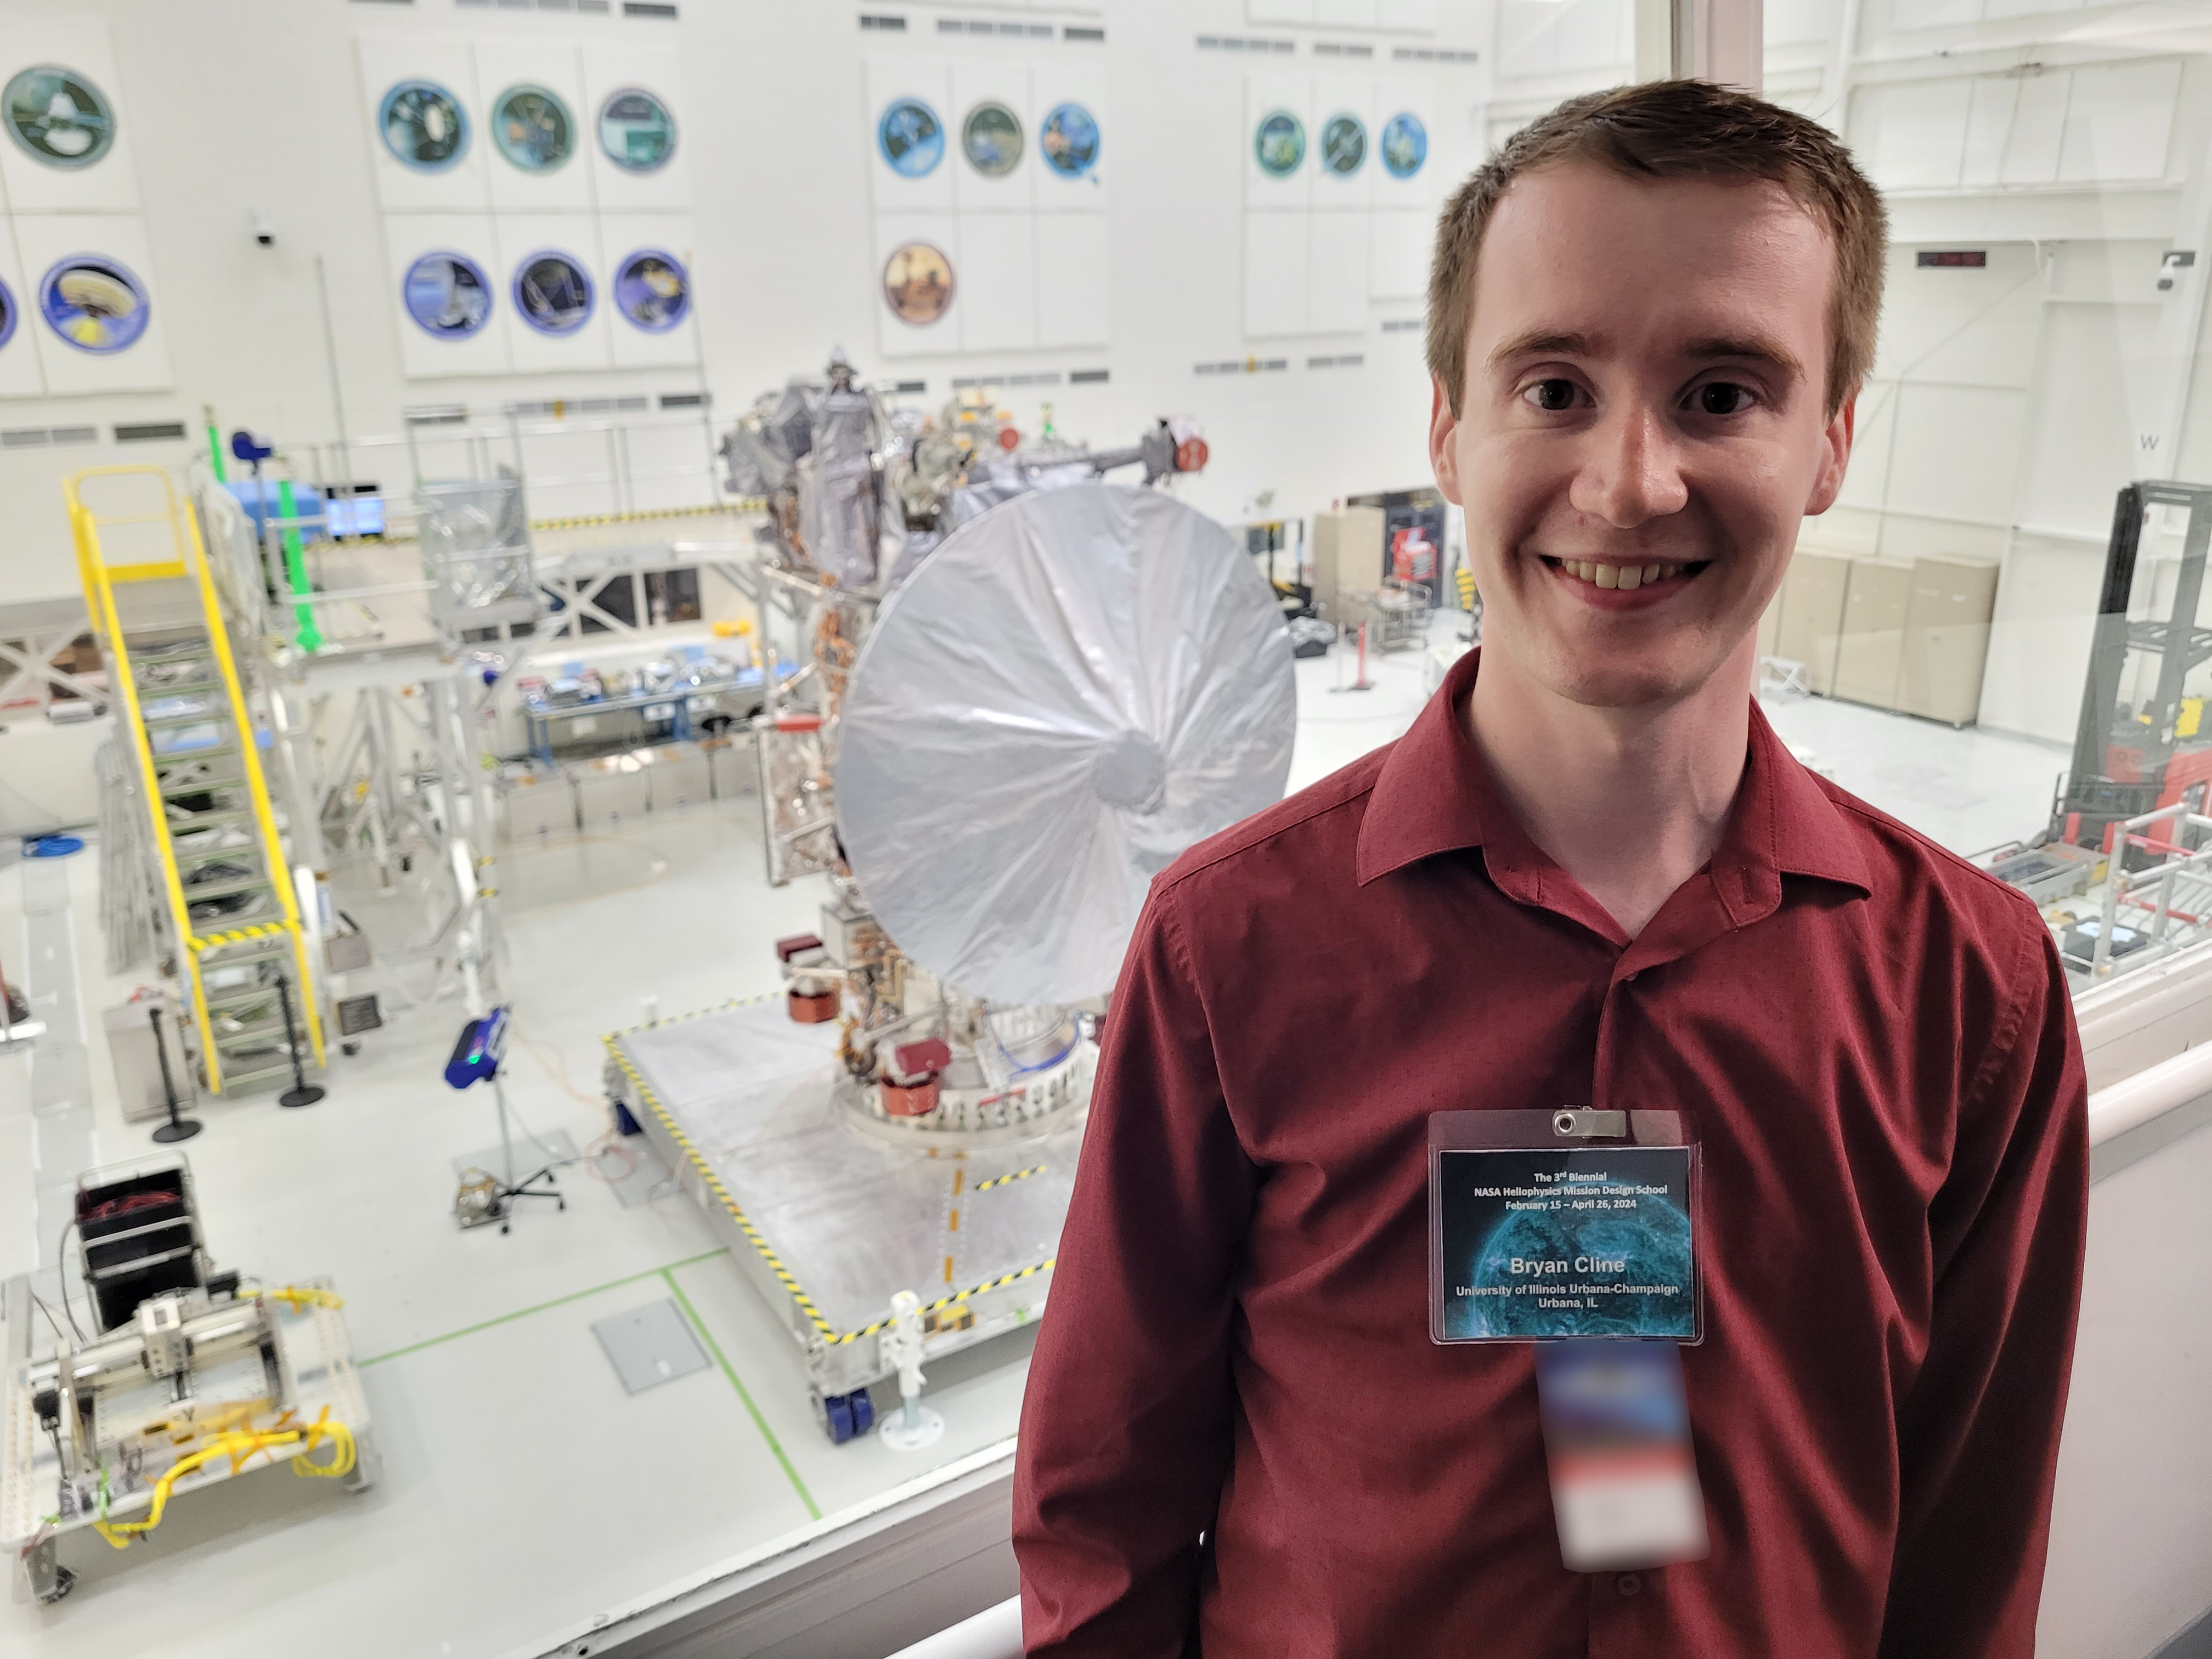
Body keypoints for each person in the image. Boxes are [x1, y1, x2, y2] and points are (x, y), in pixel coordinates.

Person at [1012, 80, 2087, 1657]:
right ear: (1449, 423)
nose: (1631, 483)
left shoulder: (1967, 988)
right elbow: (1100, 1510)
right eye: (1557, 387)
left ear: (1833, 442)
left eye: (1724, 392)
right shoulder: (1231, 948)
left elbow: (1972, 1537)